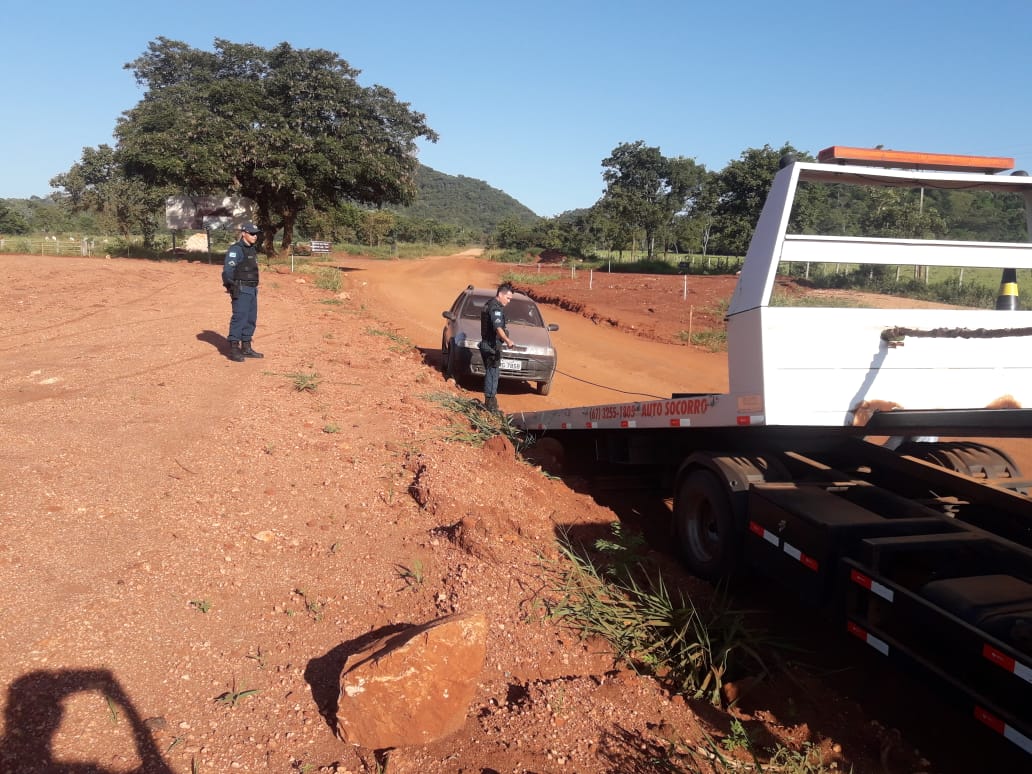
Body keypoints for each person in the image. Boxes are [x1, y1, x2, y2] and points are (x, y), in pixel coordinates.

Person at [222, 222, 264, 362]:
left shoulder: (251, 249)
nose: (255, 236)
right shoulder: (236, 249)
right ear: (243, 233)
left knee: (251, 319)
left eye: (256, 234)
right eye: (252, 233)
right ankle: (234, 349)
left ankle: (246, 347)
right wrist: (231, 286)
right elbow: (228, 271)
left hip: (252, 289)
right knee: (239, 318)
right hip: (241, 289)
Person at [479, 282, 517, 412]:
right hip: (491, 346)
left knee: (492, 372)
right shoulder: (495, 308)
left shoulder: (489, 304)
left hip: (488, 344)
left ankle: (490, 403)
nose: (509, 301)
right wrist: (507, 340)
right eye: (508, 298)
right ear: (500, 294)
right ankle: (490, 406)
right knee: (492, 373)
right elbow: (498, 328)